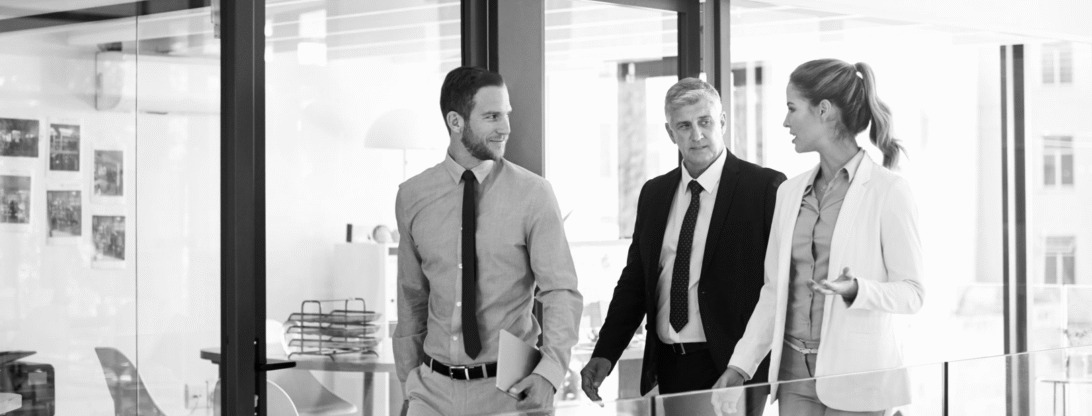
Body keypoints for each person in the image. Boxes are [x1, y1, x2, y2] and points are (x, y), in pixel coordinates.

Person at [713, 59, 925, 415]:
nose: (786, 121)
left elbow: (913, 293)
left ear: (823, 110)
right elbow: (773, 292)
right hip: (793, 375)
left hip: (858, 376)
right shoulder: (789, 192)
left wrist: (857, 289)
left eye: (792, 108)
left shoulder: (889, 191)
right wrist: (741, 365)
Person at [580, 78, 785, 414]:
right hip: (671, 364)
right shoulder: (655, 194)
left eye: (705, 122)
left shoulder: (764, 188)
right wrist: (605, 353)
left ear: (722, 122)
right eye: (684, 126)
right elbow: (635, 283)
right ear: (669, 132)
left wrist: (747, 365)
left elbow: (778, 286)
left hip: (734, 365)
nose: (697, 135)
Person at [393, 66, 583, 416]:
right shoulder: (412, 196)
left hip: (509, 393)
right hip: (430, 393)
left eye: (506, 114)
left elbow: (561, 292)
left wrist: (549, 373)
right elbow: (411, 297)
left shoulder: (534, 194)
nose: (506, 128)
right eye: (492, 116)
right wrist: (408, 382)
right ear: (455, 121)